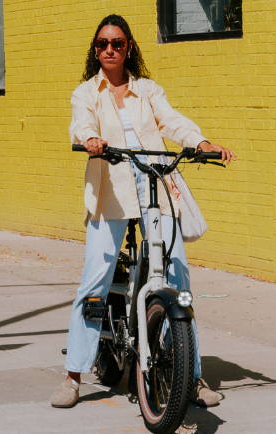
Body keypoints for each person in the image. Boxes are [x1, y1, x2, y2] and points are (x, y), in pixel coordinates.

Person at [51, 14, 237, 409]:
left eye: (117, 43)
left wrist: (201, 141)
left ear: (129, 47)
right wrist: (91, 140)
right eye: (102, 44)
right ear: (95, 48)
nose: (109, 50)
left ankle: (191, 375)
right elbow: (80, 124)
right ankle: (73, 376)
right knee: (95, 281)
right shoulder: (87, 92)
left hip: (155, 184)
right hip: (110, 193)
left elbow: (173, 121)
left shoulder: (148, 90)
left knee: (178, 280)